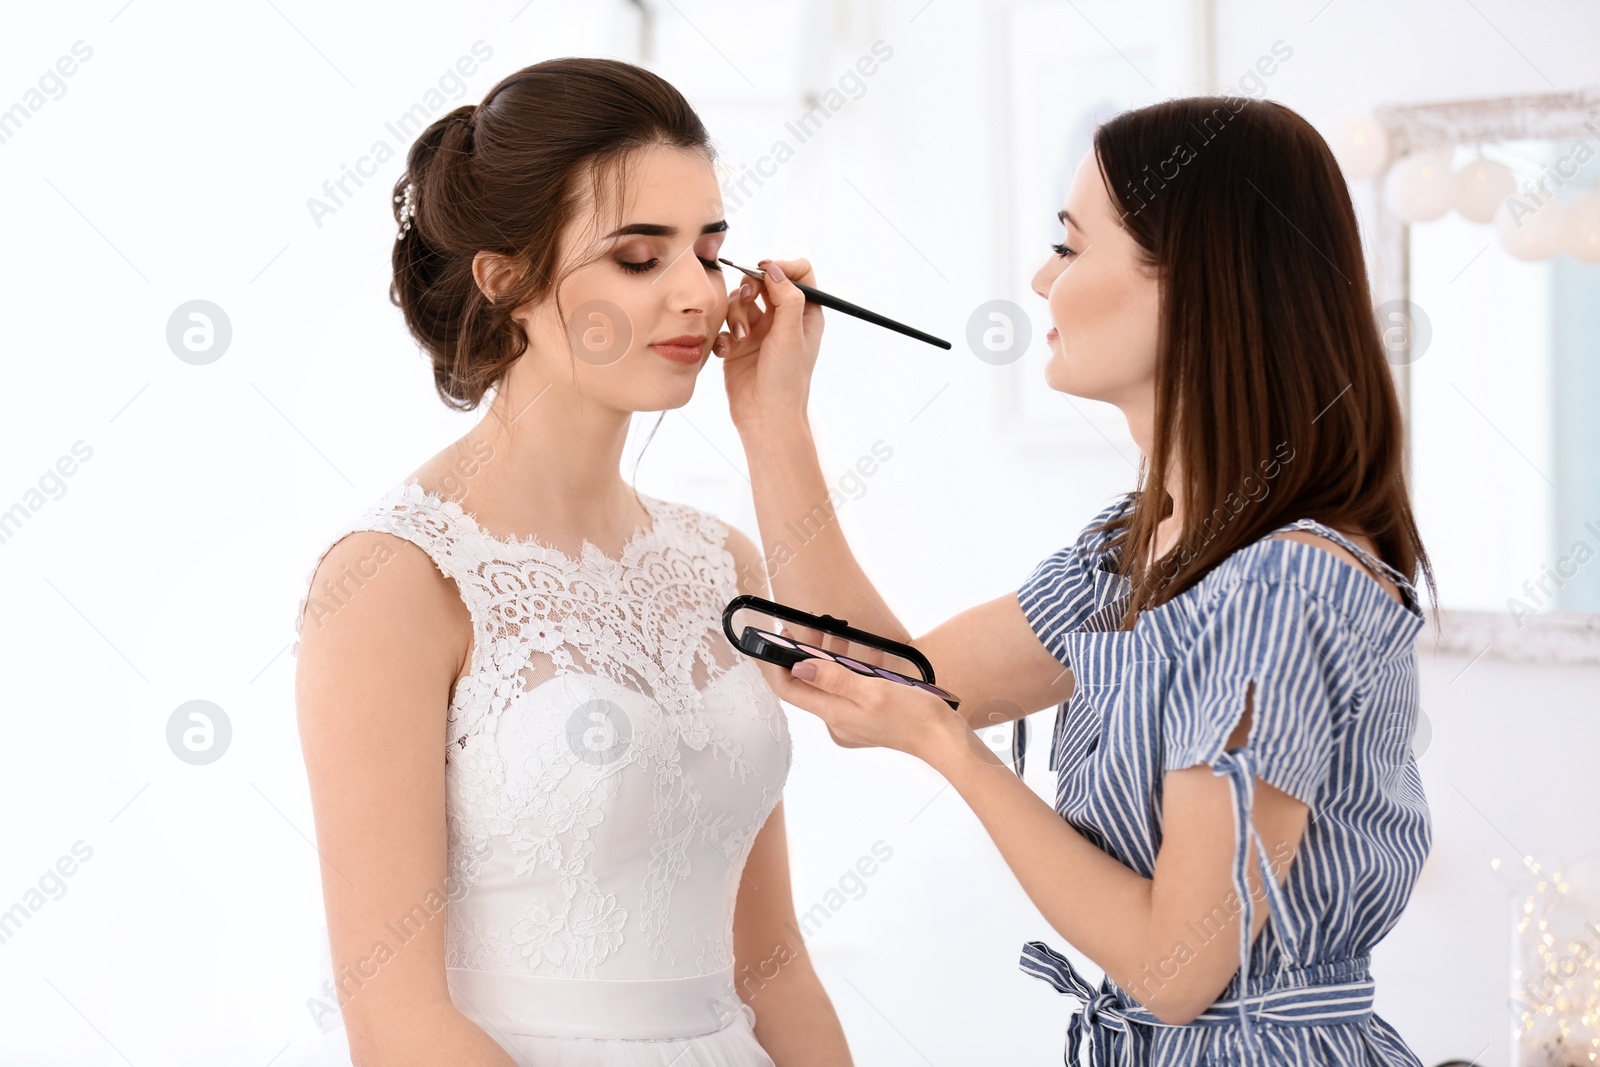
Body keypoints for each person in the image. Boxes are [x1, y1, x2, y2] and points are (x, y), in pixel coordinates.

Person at [711, 95, 1435, 1064]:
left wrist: (952, 753)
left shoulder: (1283, 586)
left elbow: (1174, 969)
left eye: (1070, 244)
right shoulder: (1133, 552)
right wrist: (772, 417)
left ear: (1193, 284)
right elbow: (891, 674)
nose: (1040, 278)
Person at [293, 57, 851, 1066]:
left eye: (708, 249)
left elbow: (770, 961)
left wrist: (777, 425)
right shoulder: (392, 579)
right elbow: (395, 1021)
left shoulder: (720, 558)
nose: (696, 292)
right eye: (640, 258)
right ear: (506, 280)